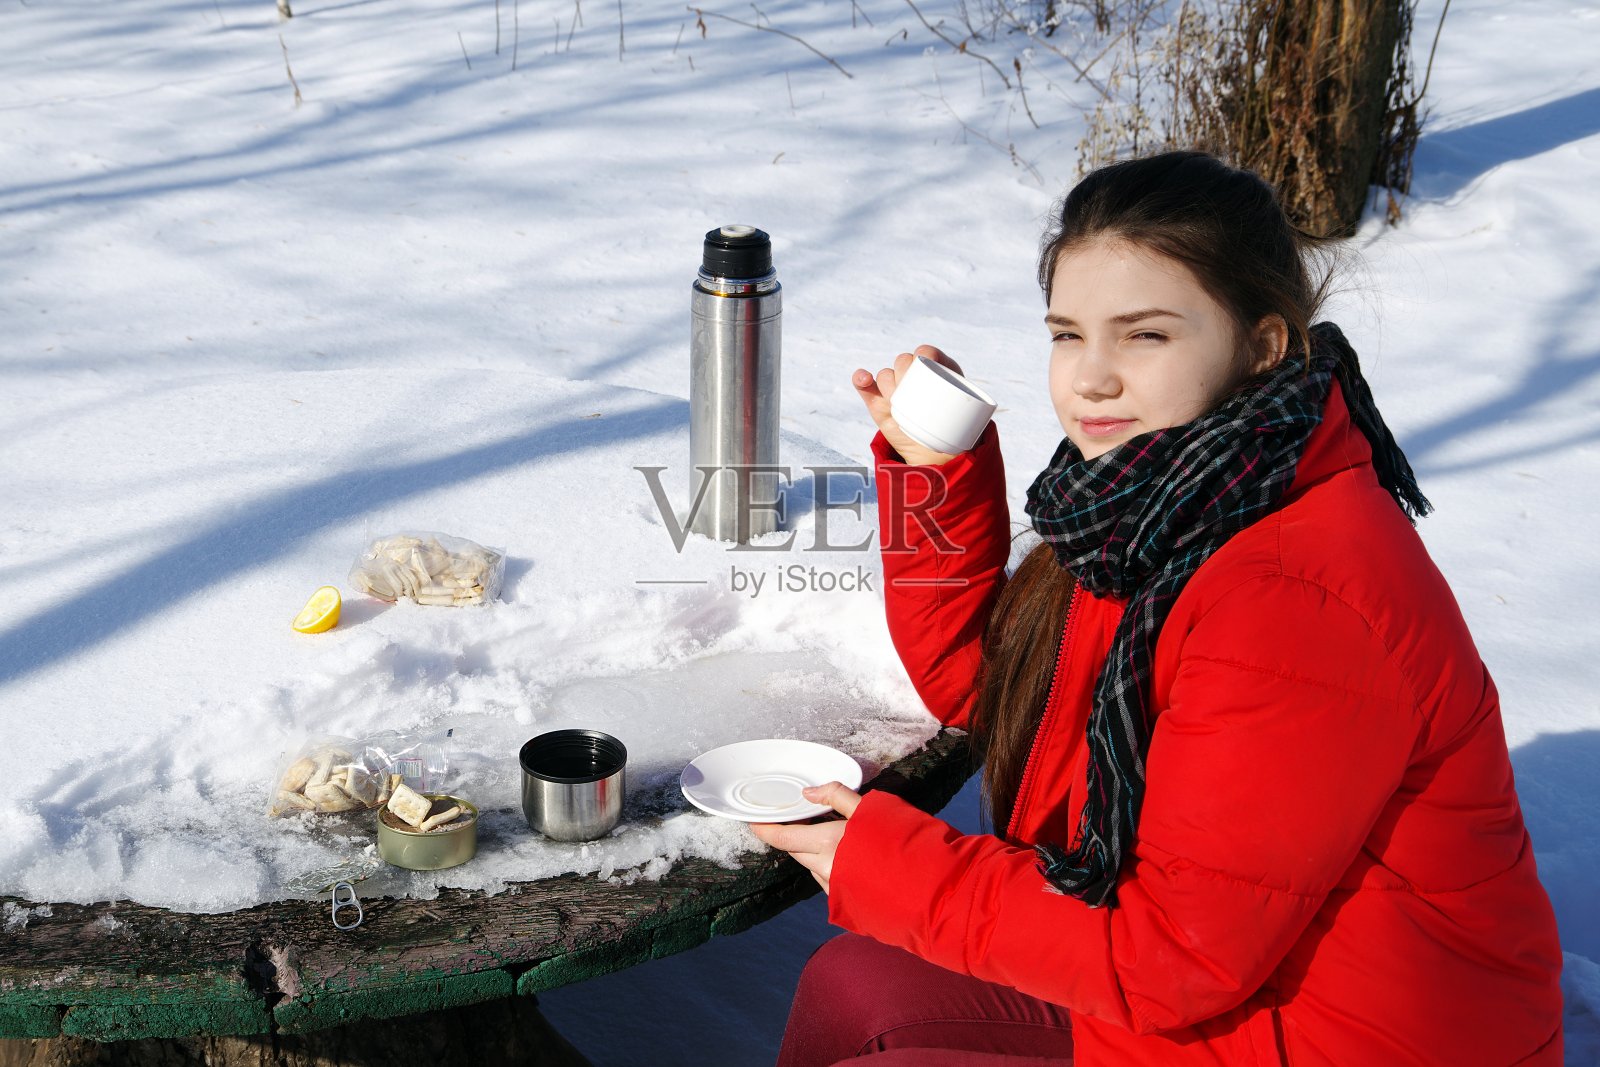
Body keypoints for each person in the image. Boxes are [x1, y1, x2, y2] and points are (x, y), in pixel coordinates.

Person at [751, 151, 1565, 1066]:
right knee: (853, 984)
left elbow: (1173, 956)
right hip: (1229, 989)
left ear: (1263, 344)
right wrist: (938, 480)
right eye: (1068, 334)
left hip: (1336, 1034)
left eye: (1144, 336)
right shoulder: (1156, 502)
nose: (1091, 377)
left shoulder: (1289, 592)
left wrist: (888, 867)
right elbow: (1006, 697)